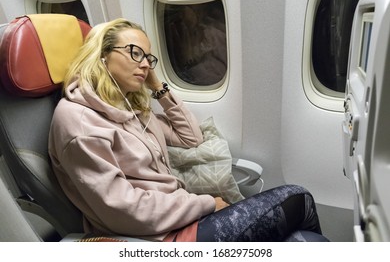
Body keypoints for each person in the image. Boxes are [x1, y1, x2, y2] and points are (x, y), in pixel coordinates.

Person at [48, 18, 327, 242]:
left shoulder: (129, 110)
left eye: (148, 57)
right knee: (298, 198)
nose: (145, 64)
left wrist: (157, 87)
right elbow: (123, 210)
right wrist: (205, 204)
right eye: (135, 53)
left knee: (306, 241)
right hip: (158, 237)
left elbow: (190, 138)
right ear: (102, 56)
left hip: (180, 217)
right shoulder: (80, 123)